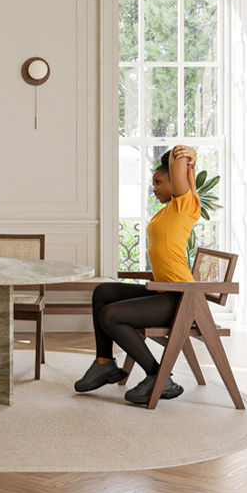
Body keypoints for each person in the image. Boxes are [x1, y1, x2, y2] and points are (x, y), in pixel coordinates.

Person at [74, 144, 201, 404]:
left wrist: (188, 155)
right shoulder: (167, 211)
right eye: (153, 183)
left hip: (182, 298)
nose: (154, 188)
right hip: (163, 291)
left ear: (175, 181)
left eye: (159, 182)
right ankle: (104, 362)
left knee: (110, 315)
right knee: (103, 292)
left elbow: (179, 161)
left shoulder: (185, 205)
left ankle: (158, 376)